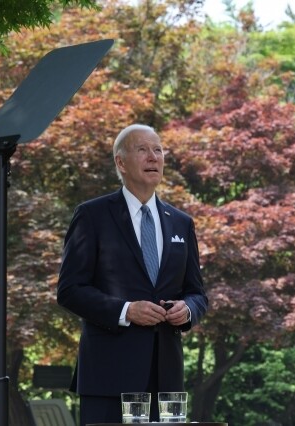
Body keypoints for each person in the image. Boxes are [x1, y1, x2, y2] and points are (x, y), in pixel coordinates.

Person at [57, 124, 208, 426]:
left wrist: (188, 309)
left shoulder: (181, 223)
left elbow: (197, 293)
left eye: (158, 150)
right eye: (142, 149)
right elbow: (70, 289)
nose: (153, 157)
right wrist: (127, 311)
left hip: (165, 382)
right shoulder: (92, 216)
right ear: (121, 162)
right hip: (108, 377)